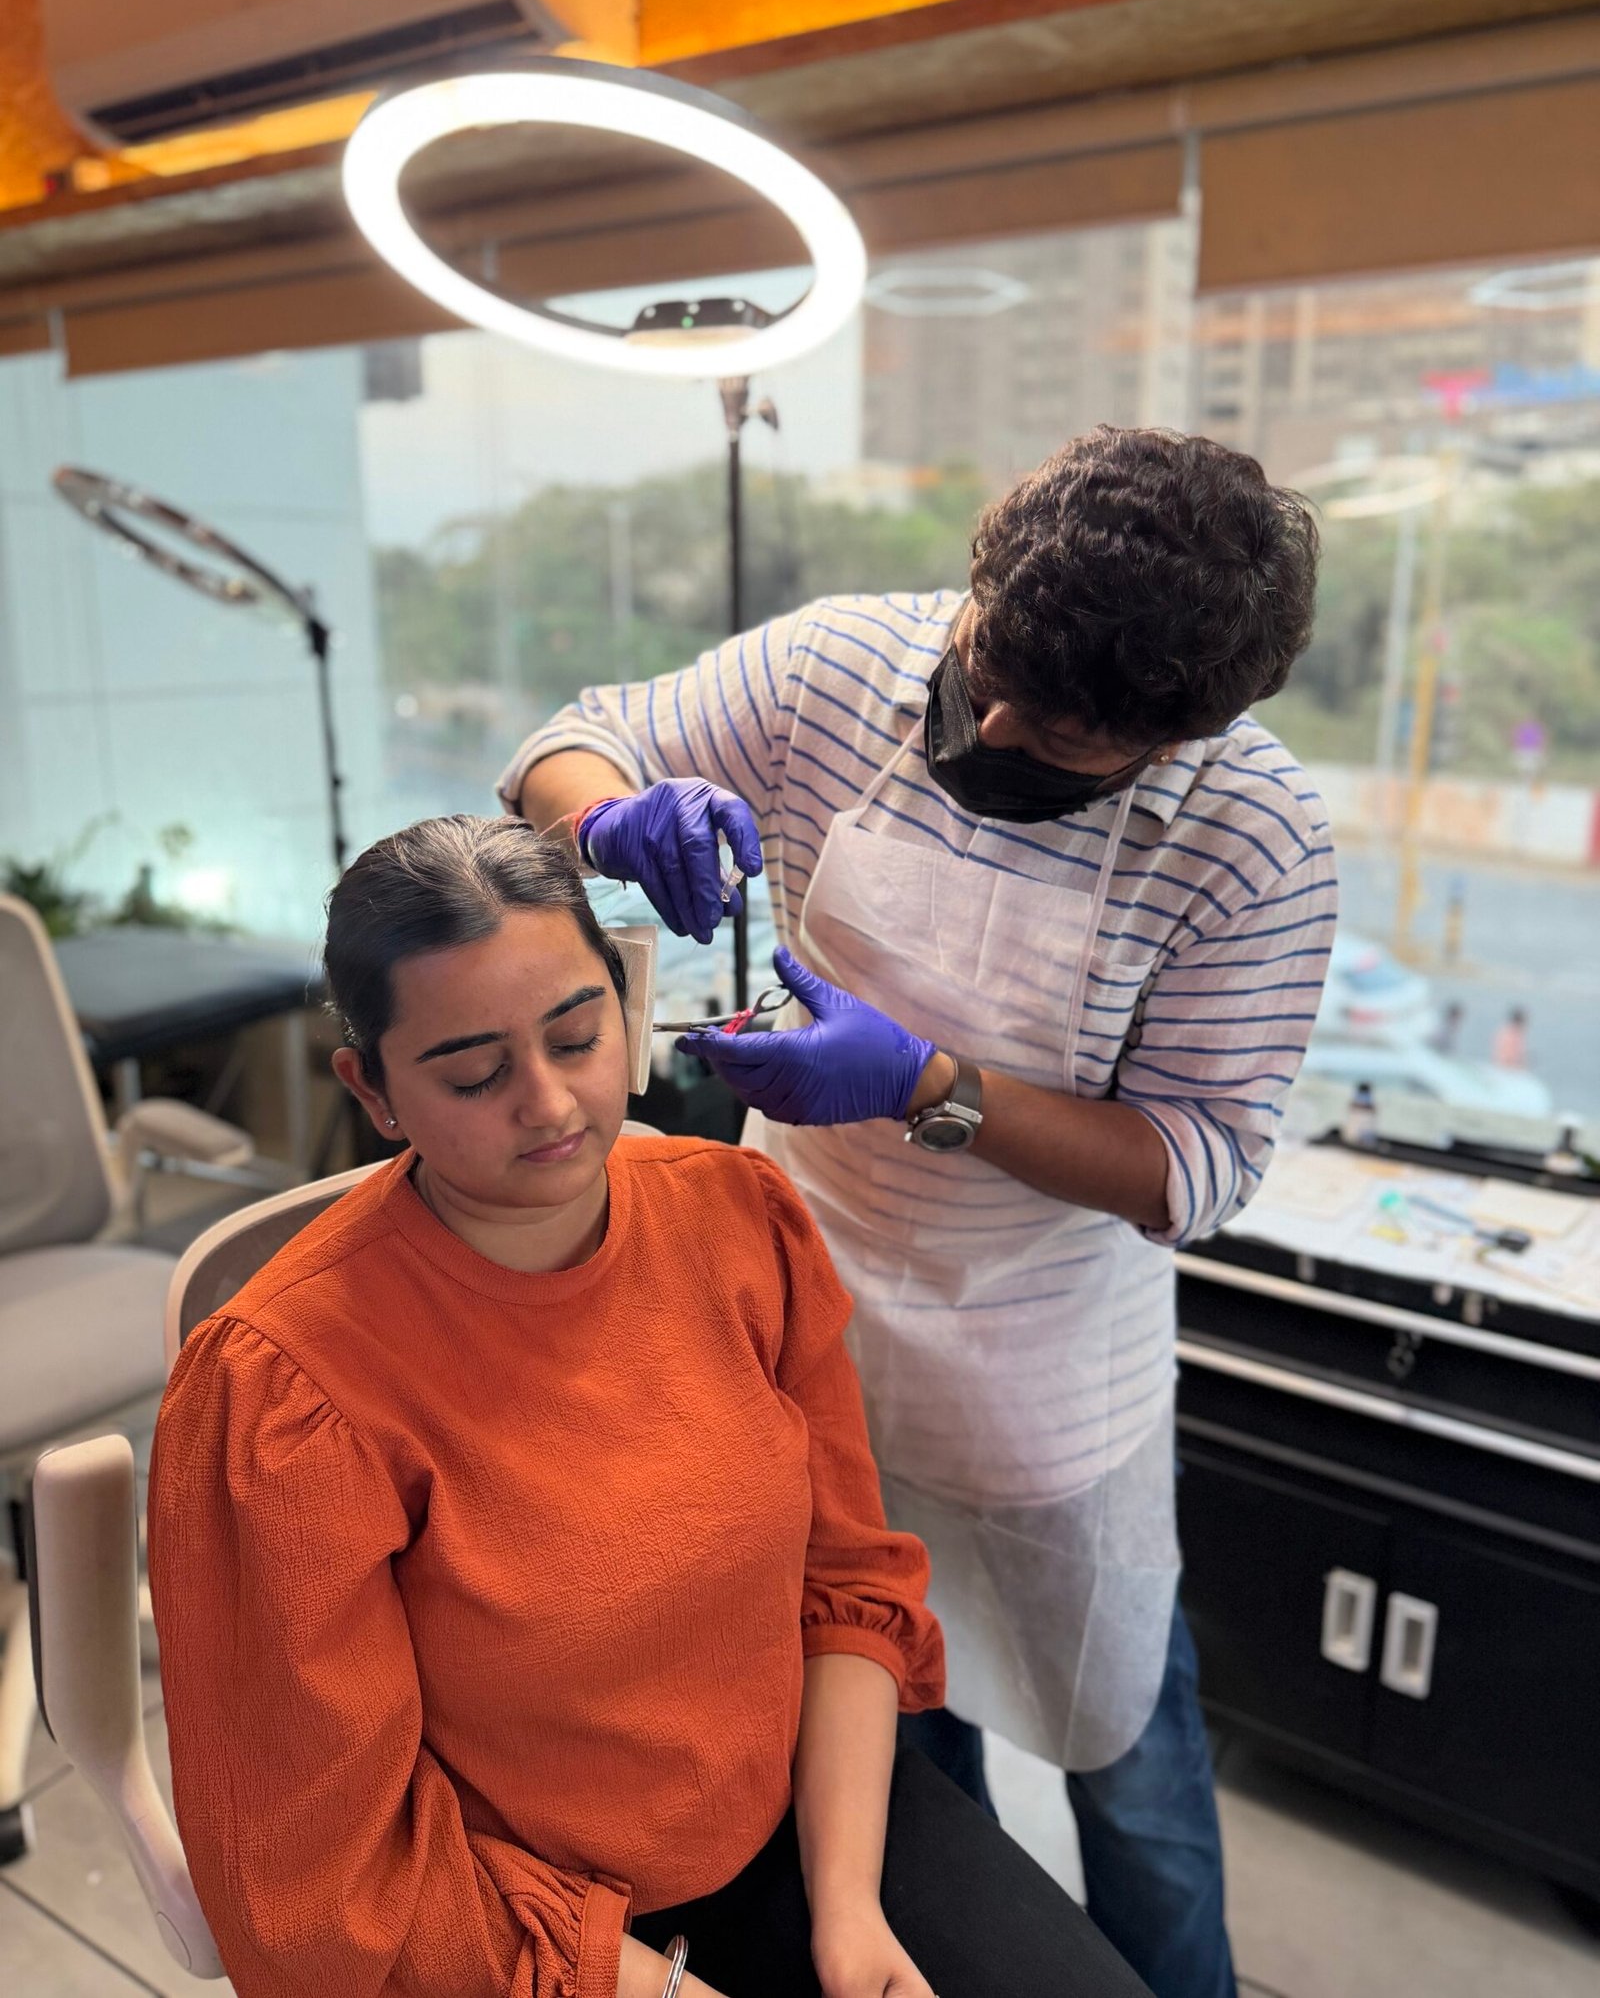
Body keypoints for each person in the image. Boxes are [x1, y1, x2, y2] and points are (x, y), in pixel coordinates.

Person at [505, 427, 1337, 1998]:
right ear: (983, 579)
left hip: (1041, 1376)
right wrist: (612, 816)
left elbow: (1196, 1162)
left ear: (1180, 735)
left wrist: (924, 1085)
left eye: (1061, 733)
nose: (999, 723)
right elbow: (578, 734)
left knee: (1131, 1773)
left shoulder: (1255, 840)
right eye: (992, 668)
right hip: (801, 1309)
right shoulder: (844, 663)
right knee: (883, 1719)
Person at [147, 815, 1149, 1998]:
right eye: (473, 1073)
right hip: (518, 1921)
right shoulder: (288, 1391)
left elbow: (846, 1587)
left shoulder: (736, 1220)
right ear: (373, 1089)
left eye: (577, 1035)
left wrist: (847, 1909)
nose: (549, 1103)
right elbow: (329, 1874)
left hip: (803, 1816)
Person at [1491, 1006, 1530, 1072]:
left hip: (1504, 1068)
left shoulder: (1505, 1032)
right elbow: (1509, 1056)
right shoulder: (1512, 1035)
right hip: (1507, 1069)